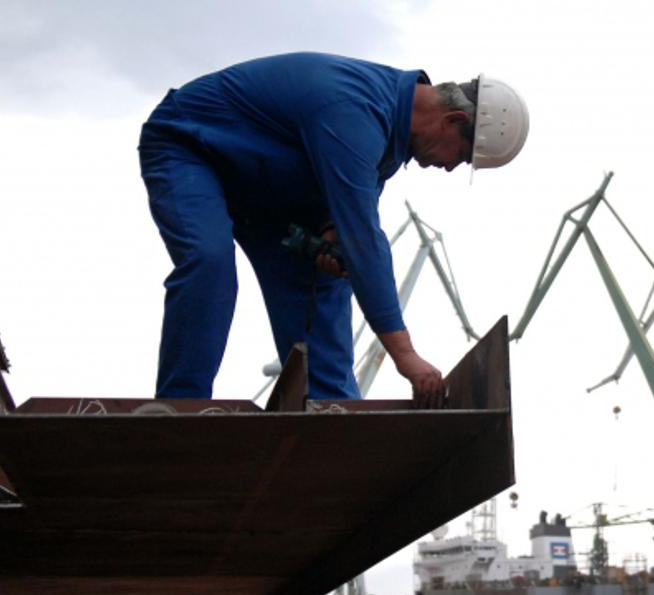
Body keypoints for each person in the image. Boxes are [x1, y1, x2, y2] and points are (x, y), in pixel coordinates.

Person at [138, 53, 528, 404]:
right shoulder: (354, 110)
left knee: (321, 280)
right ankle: (179, 410)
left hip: (267, 193)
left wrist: (328, 227)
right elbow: (364, 240)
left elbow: (347, 215)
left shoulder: (392, 135)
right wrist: (406, 356)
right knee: (211, 263)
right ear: (454, 120)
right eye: (459, 157)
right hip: (191, 148)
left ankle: (330, 419)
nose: (448, 168)